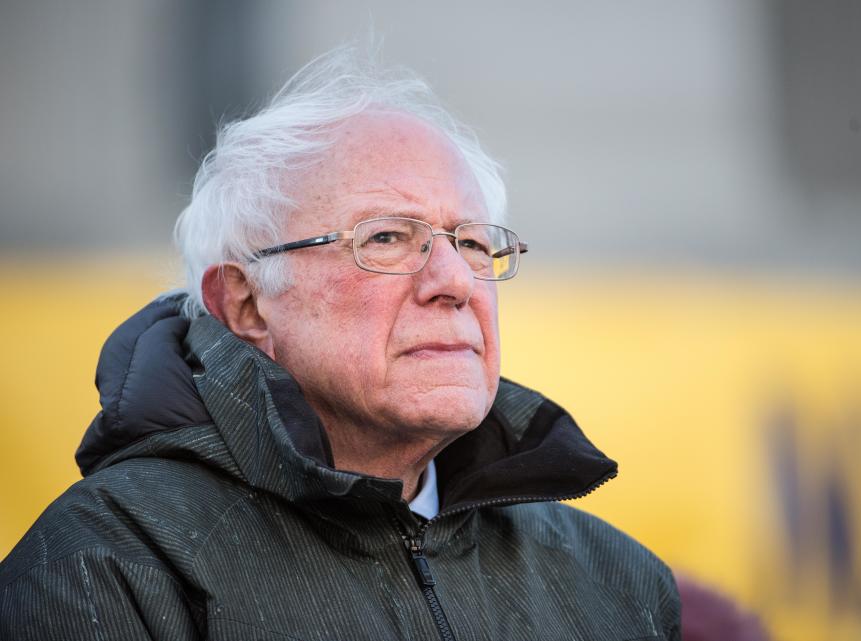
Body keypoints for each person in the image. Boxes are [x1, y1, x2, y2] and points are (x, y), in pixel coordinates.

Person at [0, 46, 681, 640]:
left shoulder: (616, 580)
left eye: (473, 241)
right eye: (385, 237)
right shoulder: (110, 564)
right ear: (244, 302)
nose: (454, 280)